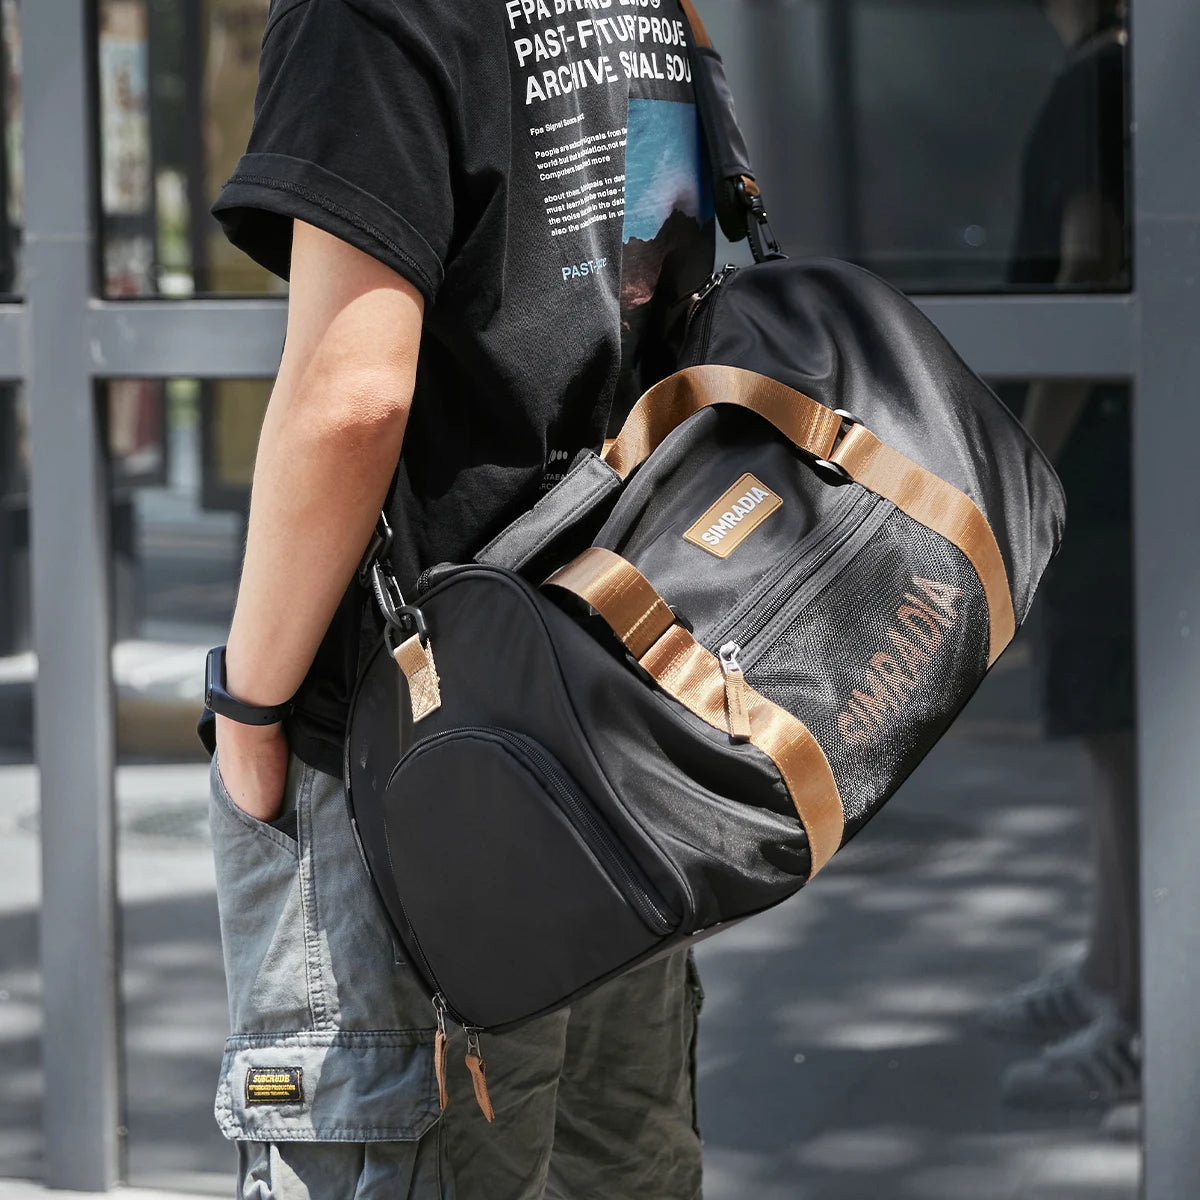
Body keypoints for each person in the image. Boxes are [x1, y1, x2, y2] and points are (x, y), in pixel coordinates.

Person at [200, 0, 717, 1195]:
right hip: (610, 714)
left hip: (416, 748)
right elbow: (649, 276)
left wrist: (250, 711)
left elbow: (353, 398)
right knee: (614, 1162)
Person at [978, 0, 1139, 1113]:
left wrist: (1023, 469)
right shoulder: (1128, 78)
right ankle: (1108, 973)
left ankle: (1135, 1015)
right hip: (1128, 476)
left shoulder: (1094, 80)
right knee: (1107, 740)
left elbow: (1088, 264)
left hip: (1100, 482)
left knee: (1121, 748)